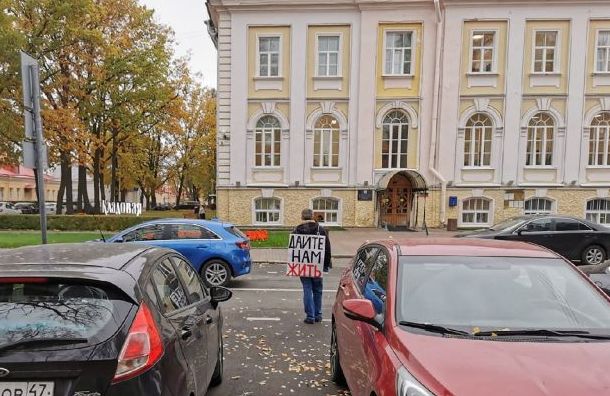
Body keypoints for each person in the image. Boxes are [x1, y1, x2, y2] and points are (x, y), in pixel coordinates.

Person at [293, 208, 332, 324]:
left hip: (303, 265)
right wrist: (326, 264)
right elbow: (327, 248)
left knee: (307, 289)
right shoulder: (320, 229)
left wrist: (294, 265)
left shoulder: (296, 230)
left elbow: (293, 249)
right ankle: (318, 314)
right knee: (318, 290)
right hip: (317, 264)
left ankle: (310, 316)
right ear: (312, 216)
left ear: (302, 217)